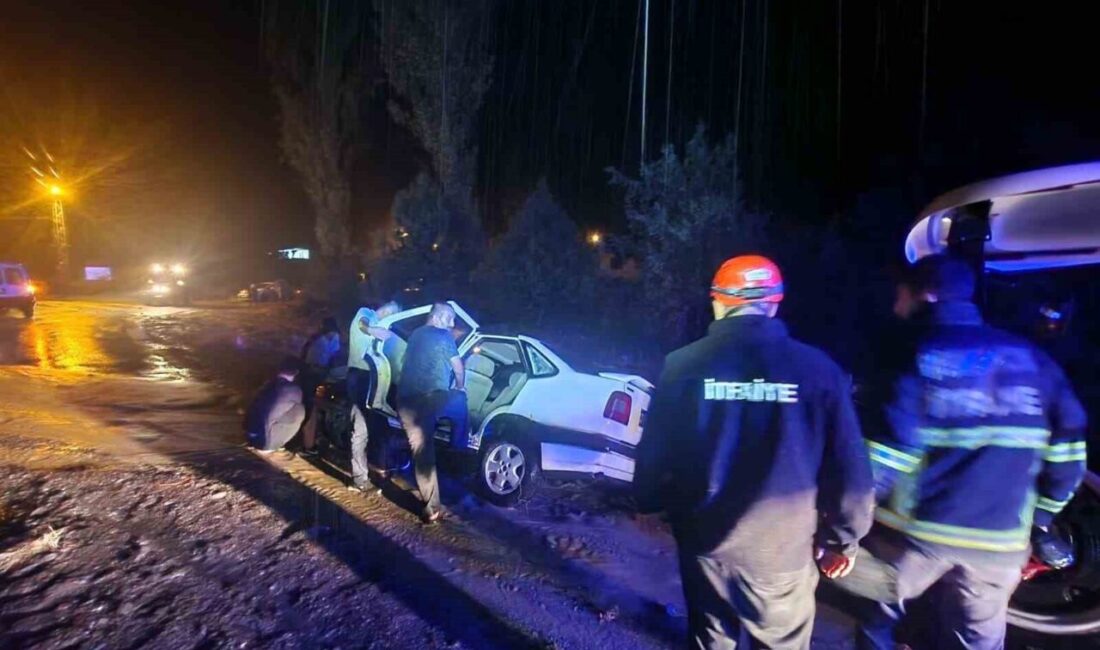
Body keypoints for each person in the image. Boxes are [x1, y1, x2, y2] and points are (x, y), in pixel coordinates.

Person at [847, 255, 1088, 650]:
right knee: (977, 641)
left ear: (924, 294)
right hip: (1000, 544)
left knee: (876, 621)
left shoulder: (916, 354)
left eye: (901, 294)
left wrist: (842, 519)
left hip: (915, 539)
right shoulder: (1035, 362)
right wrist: (1041, 517)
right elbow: (1067, 458)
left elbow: (890, 455)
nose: (896, 305)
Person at [634, 254, 875, 649]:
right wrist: (842, 540)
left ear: (718, 302)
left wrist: (649, 500)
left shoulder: (683, 366)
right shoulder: (818, 371)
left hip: (706, 546)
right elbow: (851, 475)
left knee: (713, 641)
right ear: (774, 303)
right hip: (781, 555)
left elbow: (655, 454)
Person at [397, 303, 468, 523]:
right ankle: (460, 445)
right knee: (461, 401)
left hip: (405, 402)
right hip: (430, 398)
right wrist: (459, 385)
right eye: (450, 319)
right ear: (437, 318)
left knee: (422, 453)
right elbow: (458, 367)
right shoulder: (444, 336)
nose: (452, 324)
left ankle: (431, 508)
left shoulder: (415, 334)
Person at [244, 356, 307, 452]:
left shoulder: (267, 384)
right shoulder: (293, 389)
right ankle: (282, 444)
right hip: (265, 442)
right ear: (297, 372)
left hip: (251, 436)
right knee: (300, 410)